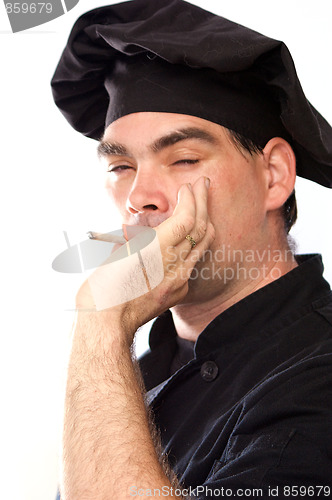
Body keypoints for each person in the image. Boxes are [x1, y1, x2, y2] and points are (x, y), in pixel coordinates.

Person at [51, 0, 332, 498]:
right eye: (120, 167)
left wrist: (100, 321)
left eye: (182, 158)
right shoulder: (133, 372)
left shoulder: (319, 378)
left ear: (274, 175)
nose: (139, 197)